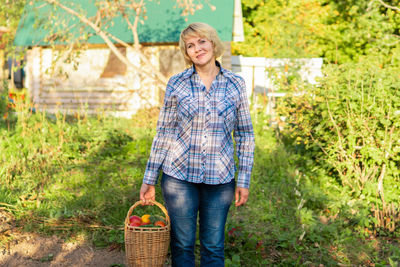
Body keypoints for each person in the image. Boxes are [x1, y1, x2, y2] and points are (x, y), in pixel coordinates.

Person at [139, 22, 255, 267]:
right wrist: (149, 179)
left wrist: (243, 179)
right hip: (179, 178)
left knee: (213, 247)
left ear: (213, 43)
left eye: (202, 41)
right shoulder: (177, 83)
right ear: (186, 52)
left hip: (220, 180)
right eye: (190, 45)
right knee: (182, 245)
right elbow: (164, 132)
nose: (197, 48)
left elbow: (245, 134)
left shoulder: (236, 84)